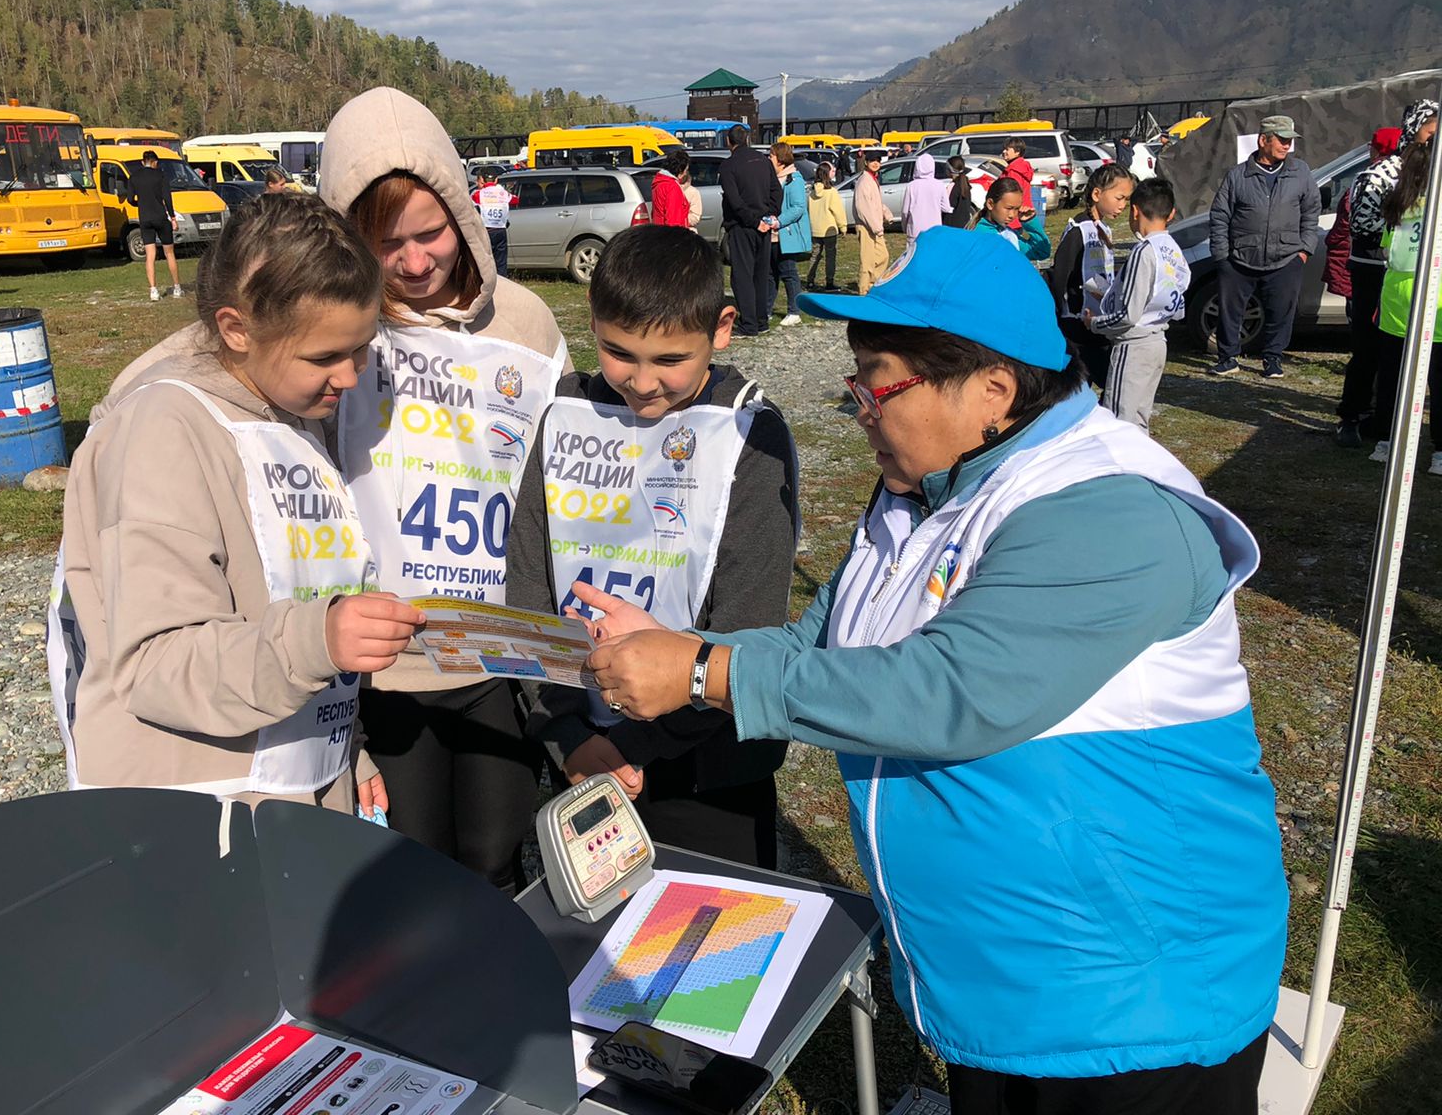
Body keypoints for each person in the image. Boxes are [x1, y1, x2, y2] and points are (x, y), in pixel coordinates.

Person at [580, 225, 1287, 1115]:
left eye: (878, 384)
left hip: (1129, 1008)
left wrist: (698, 677)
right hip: (1004, 989)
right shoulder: (927, 488)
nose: (858, 408)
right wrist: (686, 650)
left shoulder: (1113, 511)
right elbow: (822, 648)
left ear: (992, 390)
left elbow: (950, 692)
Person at [48, 193, 425, 809]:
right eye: (324, 356)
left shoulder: (294, 412)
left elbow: (298, 588)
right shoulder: (162, 429)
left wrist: (345, 745)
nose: (351, 376)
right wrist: (317, 642)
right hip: (193, 811)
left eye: (361, 347)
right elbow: (156, 661)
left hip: (294, 785)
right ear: (236, 329)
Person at [319, 86, 569, 892]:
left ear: (464, 215)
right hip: (387, 670)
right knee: (417, 874)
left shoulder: (526, 322)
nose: (417, 261)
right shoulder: (332, 333)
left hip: (499, 655)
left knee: (497, 859)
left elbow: (567, 481)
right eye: (388, 244)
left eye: (431, 233)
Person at [505, 226, 798, 867]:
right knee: (600, 945)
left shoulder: (751, 433)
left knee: (718, 948)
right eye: (617, 353)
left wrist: (646, 744)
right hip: (585, 749)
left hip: (708, 763)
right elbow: (527, 581)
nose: (641, 383)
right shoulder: (564, 416)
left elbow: (749, 623)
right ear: (592, 320)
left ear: (721, 329)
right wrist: (566, 731)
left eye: (669, 361)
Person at [1341, 101, 1438, 445]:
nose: (1435, 134)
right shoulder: (1382, 173)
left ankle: (1396, 422)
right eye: (1430, 127)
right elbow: (1360, 224)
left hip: (1422, 275)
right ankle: (1353, 417)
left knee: (1422, 355)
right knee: (1371, 349)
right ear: (1414, 128)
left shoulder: (1435, 171)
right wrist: (1400, 224)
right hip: (1376, 271)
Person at [1206, 114, 1321, 379]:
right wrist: (1222, 256)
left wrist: (1304, 250)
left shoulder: (1300, 172)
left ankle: (1273, 359)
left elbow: (1311, 211)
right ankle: (1227, 357)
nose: (1286, 146)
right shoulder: (1237, 176)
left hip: (1286, 257)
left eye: (1289, 141)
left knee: (1281, 311)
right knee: (1230, 311)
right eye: (1281, 140)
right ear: (1263, 140)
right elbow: (1220, 215)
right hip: (1239, 259)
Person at [1368, 134, 1442, 476]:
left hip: (1397, 300)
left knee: (1392, 379)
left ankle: (1386, 441)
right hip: (1434, 302)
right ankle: (1439, 453)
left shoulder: (1396, 208)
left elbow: (1386, 250)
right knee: (1437, 382)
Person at [1091, 177, 1190, 431]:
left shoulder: (1144, 251)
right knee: (1138, 419)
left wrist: (1094, 323)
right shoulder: (1173, 249)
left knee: (1118, 421)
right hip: (1158, 341)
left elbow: (1128, 316)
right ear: (1171, 214)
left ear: (1135, 211)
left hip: (1133, 345)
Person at [1049, 162, 1133, 390]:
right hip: (1077, 328)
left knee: (1112, 387)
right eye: (1119, 198)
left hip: (1097, 324)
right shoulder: (1078, 230)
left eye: (1126, 199)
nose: (1123, 206)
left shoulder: (1104, 229)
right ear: (1097, 194)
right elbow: (1061, 276)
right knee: (1086, 389)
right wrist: (1068, 313)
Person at [719, 124, 782, 335]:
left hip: (743, 225)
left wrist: (755, 221)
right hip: (763, 225)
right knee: (761, 274)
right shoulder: (763, 161)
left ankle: (749, 324)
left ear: (729, 141)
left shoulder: (729, 166)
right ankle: (761, 320)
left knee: (742, 275)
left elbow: (735, 201)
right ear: (746, 139)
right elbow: (776, 191)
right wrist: (770, 215)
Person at [128, 150, 183, 301]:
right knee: (169, 253)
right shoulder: (160, 175)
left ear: (142, 162)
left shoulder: (134, 177)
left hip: (145, 219)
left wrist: (140, 204)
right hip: (160, 217)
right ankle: (177, 287)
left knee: (150, 255)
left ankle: (153, 290)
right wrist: (173, 217)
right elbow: (167, 198)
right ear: (154, 162)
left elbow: (129, 199)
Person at [768, 143, 812, 326]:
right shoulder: (774, 178)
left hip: (787, 233)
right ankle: (766, 310)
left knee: (788, 272)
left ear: (780, 158)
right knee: (770, 273)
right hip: (773, 233)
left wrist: (779, 221)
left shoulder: (794, 179)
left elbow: (798, 207)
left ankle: (794, 311)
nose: (769, 158)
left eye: (771, 155)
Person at [971, 177, 1050, 261]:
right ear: (990, 204)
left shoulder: (1008, 234)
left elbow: (1041, 252)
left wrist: (1030, 222)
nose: (1012, 215)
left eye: (1016, 209)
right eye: (1008, 208)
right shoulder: (979, 236)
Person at [806, 162, 847, 291]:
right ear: (826, 174)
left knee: (815, 256)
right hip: (829, 230)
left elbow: (808, 209)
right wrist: (843, 226)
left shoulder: (811, 192)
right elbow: (838, 211)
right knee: (830, 257)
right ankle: (829, 282)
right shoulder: (831, 192)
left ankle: (810, 281)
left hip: (815, 229)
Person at [854, 149, 890, 294]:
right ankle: (864, 290)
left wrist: (886, 213)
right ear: (867, 162)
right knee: (867, 261)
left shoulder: (872, 178)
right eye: (873, 161)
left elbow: (875, 203)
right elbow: (863, 208)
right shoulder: (864, 181)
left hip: (875, 226)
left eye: (878, 161)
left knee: (883, 256)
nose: (876, 163)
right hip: (867, 226)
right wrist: (876, 227)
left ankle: (872, 285)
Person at [470, 165, 517, 276]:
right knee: (501, 262)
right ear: (496, 180)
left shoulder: (479, 194)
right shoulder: (503, 192)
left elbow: (471, 202)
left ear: (483, 180)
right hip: (501, 230)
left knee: (485, 260)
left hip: (487, 230)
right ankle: (502, 283)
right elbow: (515, 200)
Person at [901, 154, 952, 249]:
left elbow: (905, 211)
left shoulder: (911, 186)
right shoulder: (939, 185)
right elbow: (946, 207)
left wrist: (905, 227)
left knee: (914, 257)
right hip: (934, 229)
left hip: (915, 230)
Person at [650, 150, 692, 229]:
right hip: (671, 235)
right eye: (685, 170)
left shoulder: (659, 183)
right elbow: (673, 219)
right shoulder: (672, 187)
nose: (686, 173)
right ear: (680, 169)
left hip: (658, 231)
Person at [943, 155, 974, 229]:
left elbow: (947, 207)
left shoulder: (952, 186)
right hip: (964, 224)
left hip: (951, 226)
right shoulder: (965, 184)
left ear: (950, 170)